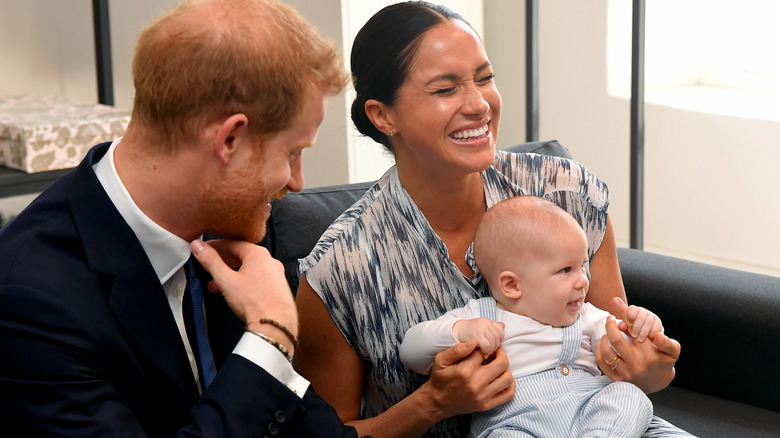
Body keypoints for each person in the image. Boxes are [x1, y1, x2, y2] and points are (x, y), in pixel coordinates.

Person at [294, 1, 688, 437]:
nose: (479, 104)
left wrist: (649, 371)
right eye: (446, 89)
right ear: (382, 115)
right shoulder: (340, 270)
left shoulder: (567, 193)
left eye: (484, 78)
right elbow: (325, 434)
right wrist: (432, 403)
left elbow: (620, 357)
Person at [0, 0, 362, 436]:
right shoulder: (29, 299)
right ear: (230, 139)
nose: (298, 182)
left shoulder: (227, 222)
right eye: (292, 153)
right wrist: (270, 337)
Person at [400, 195, 661, 438]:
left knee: (629, 395)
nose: (583, 280)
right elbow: (411, 351)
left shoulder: (587, 316)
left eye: (582, 266)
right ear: (512, 285)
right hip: (514, 423)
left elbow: (627, 351)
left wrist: (641, 326)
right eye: (566, 269)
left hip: (590, 413)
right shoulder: (479, 316)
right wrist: (459, 331)